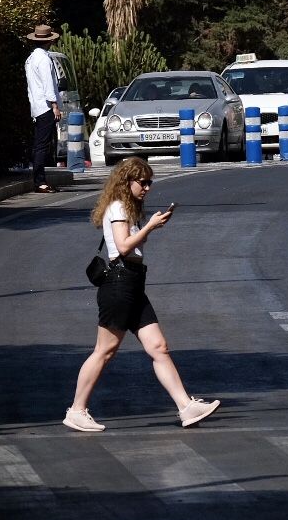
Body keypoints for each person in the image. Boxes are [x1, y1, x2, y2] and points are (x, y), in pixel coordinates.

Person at [65, 158, 221, 432]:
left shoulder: (128, 208)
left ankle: (186, 406)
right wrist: (149, 226)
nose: (147, 188)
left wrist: (150, 227)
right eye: (143, 182)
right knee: (105, 350)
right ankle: (76, 410)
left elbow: (132, 245)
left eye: (150, 182)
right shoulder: (118, 207)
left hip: (133, 285)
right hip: (119, 285)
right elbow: (124, 247)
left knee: (158, 346)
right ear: (127, 182)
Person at [23, 24, 61, 194]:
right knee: (42, 145)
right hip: (45, 107)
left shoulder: (31, 58)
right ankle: (40, 182)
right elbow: (48, 85)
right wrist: (54, 106)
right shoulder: (44, 59)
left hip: (37, 106)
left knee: (40, 144)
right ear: (49, 41)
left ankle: (40, 179)